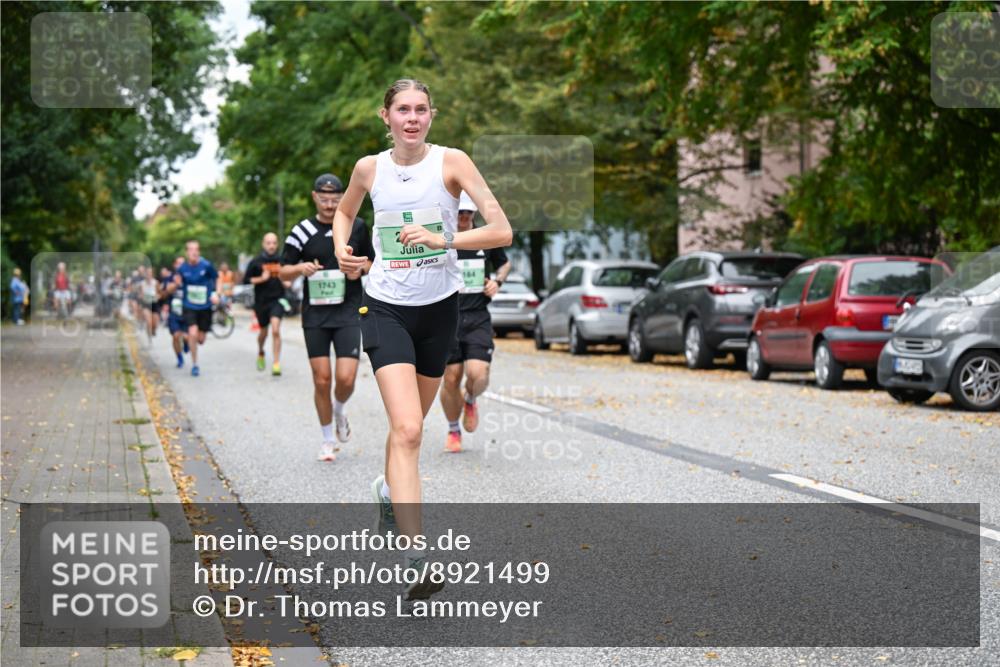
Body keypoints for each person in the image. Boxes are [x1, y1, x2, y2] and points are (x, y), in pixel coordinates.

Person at [332, 79, 512, 600]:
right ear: (384, 116)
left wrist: (444, 238)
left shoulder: (452, 163)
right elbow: (346, 211)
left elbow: (502, 230)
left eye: (421, 110)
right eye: (402, 110)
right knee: (407, 429)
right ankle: (417, 559)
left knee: (413, 427)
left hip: (440, 311)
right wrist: (344, 249)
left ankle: (387, 492)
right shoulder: (370, 168)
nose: (412, 118)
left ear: (432, 115)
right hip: (385, 306)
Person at [281, 174, 374, 462]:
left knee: (345, 378)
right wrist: (301, 268)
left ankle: (339, 408)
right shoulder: (302, 230)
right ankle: (326, 438)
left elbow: (374, 262)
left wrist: (359, 269)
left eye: (336, 199)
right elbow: (282, 271)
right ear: (314, 197)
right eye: (324, 198)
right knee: (322, 379)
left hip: (348, 310)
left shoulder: (356, 226)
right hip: (315, 315)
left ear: (343, 198)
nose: (330, 204)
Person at [439, 192, 512, 453]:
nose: (463, 218)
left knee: (478, 375)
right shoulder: (441, 239)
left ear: (473, 215)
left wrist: (497, 282)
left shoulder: (485, 238)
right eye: (459, 213)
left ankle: (470, 399)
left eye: (467, 213)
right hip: (447, 318)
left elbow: (504, 264)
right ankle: (453, 429)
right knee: (451, 378)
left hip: (478, 317)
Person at [244, 232, 291, 375]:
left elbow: (289, 281)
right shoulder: (256, 261)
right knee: (263, 332)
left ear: (277, 244)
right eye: (268, 243)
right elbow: (246, 281)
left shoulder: (283, 260)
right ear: (263, 244)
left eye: (274, 243)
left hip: (278, 300)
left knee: (276, 329)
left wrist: (284, 280)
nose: (271, 246)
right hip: (261, 302)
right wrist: (262, 278)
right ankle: (261, 351)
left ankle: (276, 363)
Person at [171, 241, 218, 377]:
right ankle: (195, 364)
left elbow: (217, 278)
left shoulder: (207, 266)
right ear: (187, 252)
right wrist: (176, 283)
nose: (194, 252)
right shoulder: (182, 268)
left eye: (197, 249)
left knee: (201, 339)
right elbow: (176, 282)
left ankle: (189, 342)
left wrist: (216, 294)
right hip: (189, 305)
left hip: (205, 307)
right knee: (192, 333)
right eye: (191, 250)